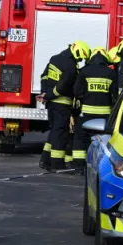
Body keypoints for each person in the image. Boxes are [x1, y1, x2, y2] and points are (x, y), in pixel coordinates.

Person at [39, 41, 89, 171]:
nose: (80, 60)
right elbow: (63, 85)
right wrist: (51, 94)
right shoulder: (71, 66)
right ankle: (56, 164)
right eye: (80, 58)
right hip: (62, 103)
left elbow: (44, 76)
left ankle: (45, 160)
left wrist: (45, 92)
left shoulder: (54, 59)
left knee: (54, 131)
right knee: (60, 133)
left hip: (51, 103)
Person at [72, 46, 118, 173]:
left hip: (86, 114)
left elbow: (77, 92)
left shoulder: (84, 72)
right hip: (105, 116)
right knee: (104, 142)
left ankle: (78, 167)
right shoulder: (111, 73)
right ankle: (102, 167)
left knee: (80, 139)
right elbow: (116, 95)